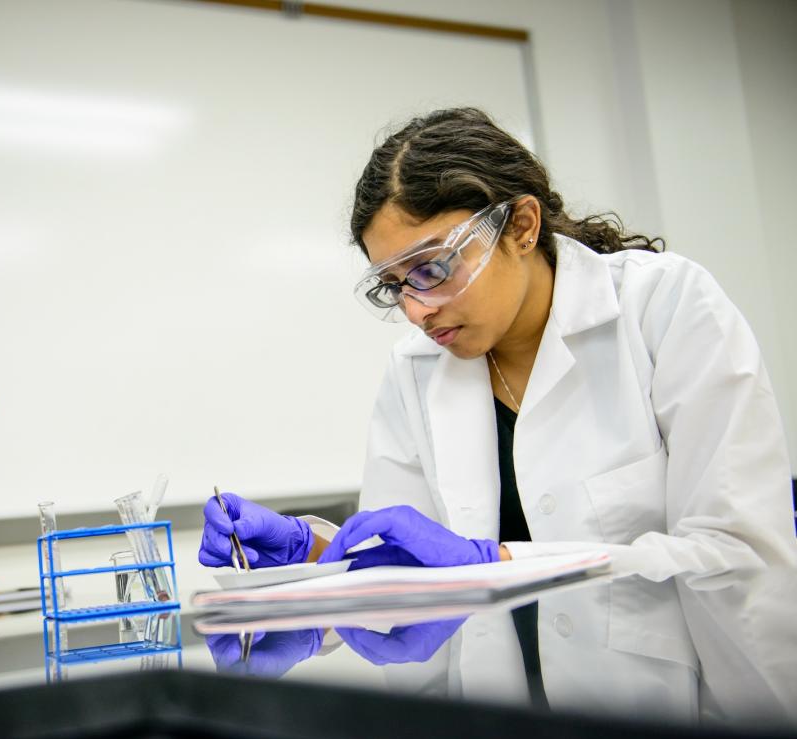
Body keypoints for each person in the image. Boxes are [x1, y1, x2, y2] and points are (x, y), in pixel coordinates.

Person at [199, 107, 797, 581]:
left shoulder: (664, 308)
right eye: (393, 286)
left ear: (521, 226)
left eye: (431, 268)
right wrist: (310, 552)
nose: (415, 309)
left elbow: (736, 553)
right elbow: (403, 564)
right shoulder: (415, 371)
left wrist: (500, 565)